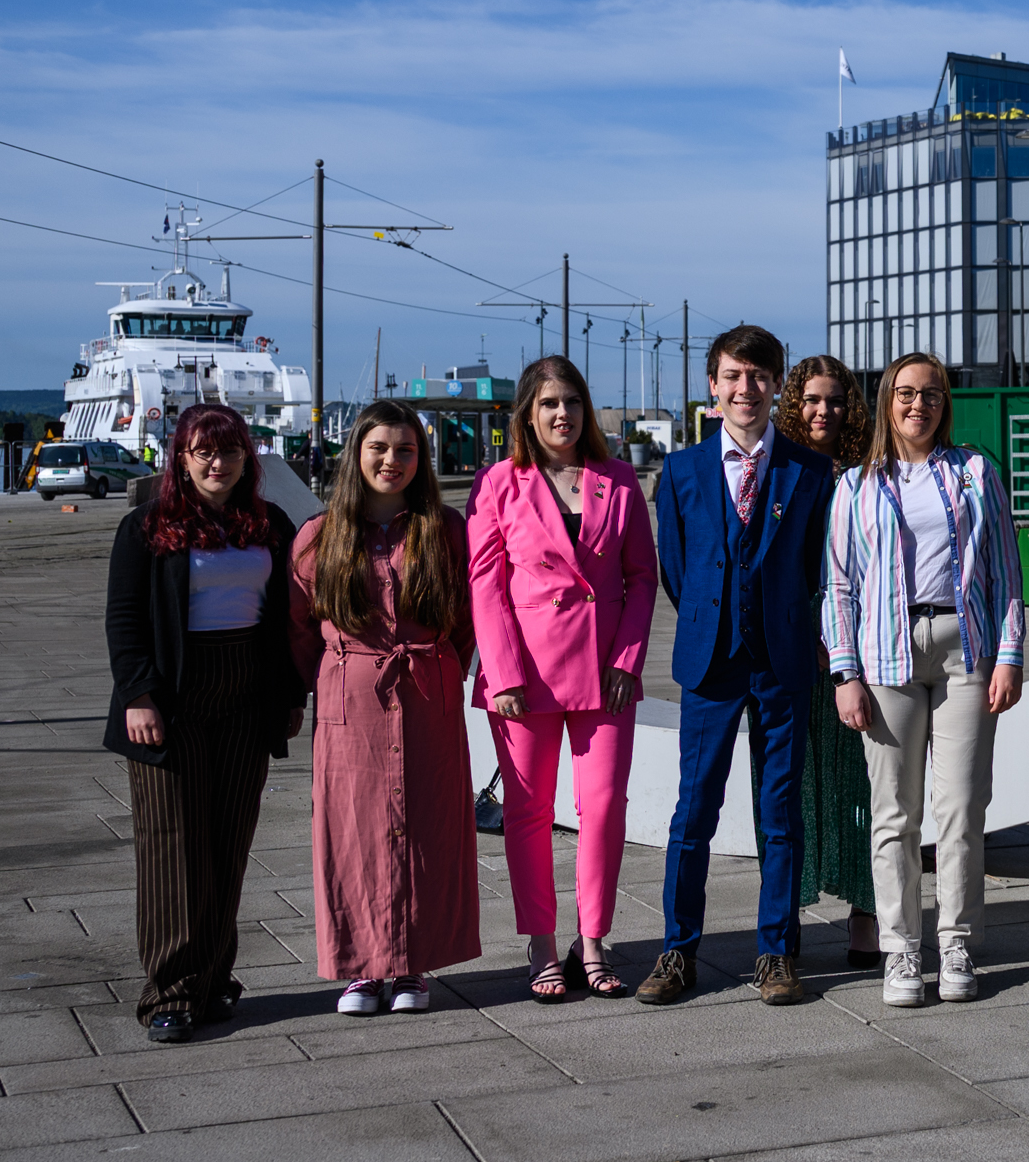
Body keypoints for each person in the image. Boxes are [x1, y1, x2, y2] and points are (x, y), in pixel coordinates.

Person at [638, 325, 837, 1008]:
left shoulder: (810, 474)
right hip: (711, 662)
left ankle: (777, 952)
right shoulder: (684, 471)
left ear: (776, 384)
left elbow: (818, 566)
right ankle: (677, 949)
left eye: (758, 376)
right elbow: (676, 570)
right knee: (694, 810)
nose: (745, 388)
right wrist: (712, 617)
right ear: (712, 387)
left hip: (782, 661)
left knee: (780, 812)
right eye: (732, 376)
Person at [826, 350, 1026, 1007]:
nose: (919, 405)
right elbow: (840, 585)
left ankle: (958, 941)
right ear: (888, 402)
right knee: (894, 816)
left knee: (962, 810)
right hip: (885, 656)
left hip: (963, 649)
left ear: (946, 403)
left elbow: (1004, 571)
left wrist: (1010, 654)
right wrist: (844, 670)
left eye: (932, 394)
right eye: (907, 394)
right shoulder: (856, 486)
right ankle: (902, 951)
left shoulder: (973, 473)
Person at [105, 402, 306, 1044]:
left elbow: (283, 619)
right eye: (202, 451)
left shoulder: (268, 523)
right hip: (172, 700)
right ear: (182, 459)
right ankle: (169, 992)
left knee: (227, 842)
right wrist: (138, 694)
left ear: (248, 457)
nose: (216, 463)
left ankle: (215, 980)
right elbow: (125, 619)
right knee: (173, 846)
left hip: (246, 692)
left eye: (228, 450)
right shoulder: (147, 527)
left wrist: (291, 694)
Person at [467, 356, 657, 1002]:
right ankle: (541, 942)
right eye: (548, 403)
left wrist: (628, 661)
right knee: (528, 812)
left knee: (603, 807)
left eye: (572, 402)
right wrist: (501, 672)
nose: (562, 414)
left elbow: (642, 578)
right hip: (523, 674)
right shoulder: (499, 483)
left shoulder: (619, 479)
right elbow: (485, 584)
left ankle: (593, 939)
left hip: (607, 674)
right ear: (528, 412)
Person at [291, 401, 479, 1017]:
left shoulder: (446, 529)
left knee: (425, 825)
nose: (392, 461)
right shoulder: (320, 536)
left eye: (405, 450)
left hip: (428, 690)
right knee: (352, 832)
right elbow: (298, 627)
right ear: (356, 453)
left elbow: (466, 622)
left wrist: (440, 666)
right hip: (351, 700)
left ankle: (413, 965)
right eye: (379, 448)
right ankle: (360, 969)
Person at [777, 358, 880, 968]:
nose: (825, 411)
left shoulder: (869, 471)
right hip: (792, 646)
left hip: (860, 644)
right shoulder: (780, 468)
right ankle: (783, 912)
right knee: (791, 786)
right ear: (796, 404)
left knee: (864, 786)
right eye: (813, 400)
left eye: (837, 400)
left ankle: (865, 913)